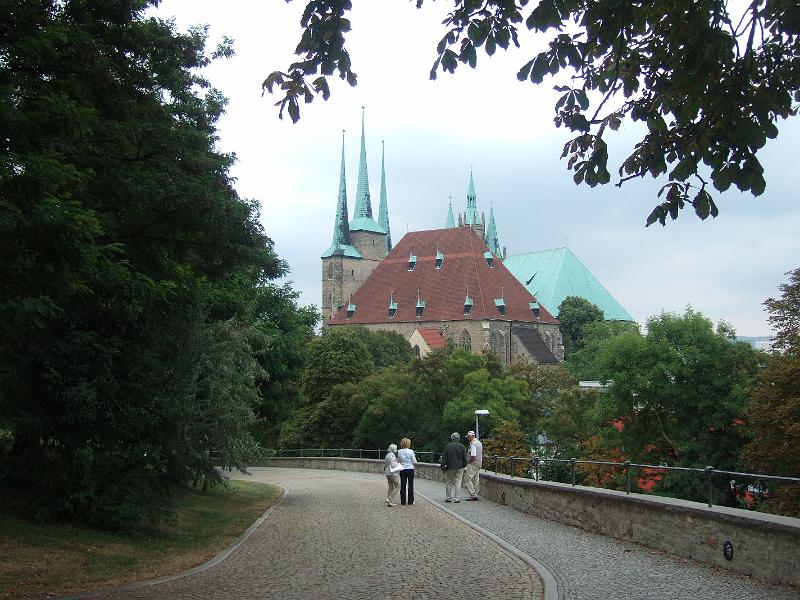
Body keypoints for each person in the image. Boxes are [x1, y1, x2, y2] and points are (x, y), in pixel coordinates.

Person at [440, 432, 467, 503]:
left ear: (452, 438)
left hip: (450, 467)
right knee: (458, 482)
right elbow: (465, 458)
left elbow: (444, 458)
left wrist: (442, 466)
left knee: (449, 482)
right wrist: (463, 466)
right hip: (459, 467)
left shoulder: (448, 446)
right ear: (459, 439)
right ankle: (457, 498)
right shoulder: (462, 447)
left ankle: (448, 498)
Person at [397, 437, 418, 505]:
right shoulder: (411, 451)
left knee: (403, 485)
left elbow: (398, 461)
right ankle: (410, 501)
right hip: (410, 469)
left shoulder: (399, 451)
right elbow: (414, 462)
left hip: (402, 469)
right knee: (410, 485)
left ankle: (403, 501)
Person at [465, 430, 483, 501]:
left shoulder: (473, 444)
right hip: (479, 463)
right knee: (476, 479)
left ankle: (473, 494)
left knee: (467, 478)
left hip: (473, 463)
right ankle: (475, 493)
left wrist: (469, 461)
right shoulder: (479, 443)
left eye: (468, 437)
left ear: (471, 436)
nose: (467, 438)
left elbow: (473, 455)